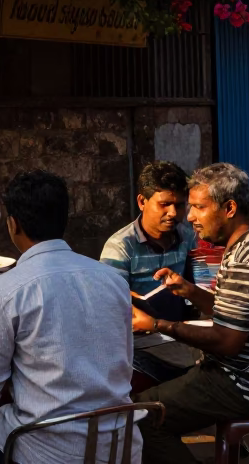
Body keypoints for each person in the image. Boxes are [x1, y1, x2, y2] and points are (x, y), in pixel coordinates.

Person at [0, 170, 137, 464]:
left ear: (13, 225)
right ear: (65, 218)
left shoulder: (7, 288)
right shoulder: (113, 280)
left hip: (46, 445)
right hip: (118, 440)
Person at [132, 164, 249, 464]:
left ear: (229, 208)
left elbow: (228, 341)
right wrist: (191, 291)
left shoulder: (247, 259)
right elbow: (236, 315)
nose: (189, 217)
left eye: (199, 208)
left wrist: (157, 324)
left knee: (138, 416)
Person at [100, 161, 200, 389]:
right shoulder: (120, 246)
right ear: (142, 202)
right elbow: (109, 304)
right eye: (164, 204)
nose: (173, 213)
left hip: (179, 336)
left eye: (180, 205)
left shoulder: (189, 238)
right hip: (138, 345)